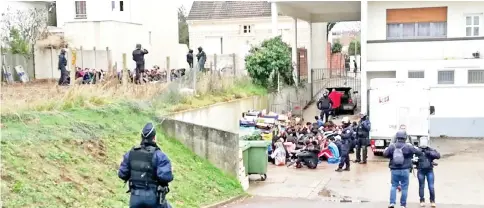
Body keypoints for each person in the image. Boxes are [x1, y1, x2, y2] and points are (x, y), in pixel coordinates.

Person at [118, 123, 173, 208]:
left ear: (142, 137)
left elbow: (122, 174)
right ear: (154, 138)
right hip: (153, 199)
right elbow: (165, 177)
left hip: (135, 199)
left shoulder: (130, 154)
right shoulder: (159, 155)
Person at [383, 130, 421, 208]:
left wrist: (391, 156)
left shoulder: (392, 146)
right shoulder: (408, 146)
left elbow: (385, 154)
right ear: (405, 137)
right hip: (405, 169)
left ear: (396, 137)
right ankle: (402, 205)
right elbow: (419, 152)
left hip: (394, 169)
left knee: (394, 186)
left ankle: (392, 203)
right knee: (404, 187)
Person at [415, 137, 440, 207]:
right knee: (421, 186)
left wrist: (429, 153)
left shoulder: (430, 149)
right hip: (420, 170)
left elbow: (438, 155)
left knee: (431, 186)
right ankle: (422, 200)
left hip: (429, 170)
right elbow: (412, 158)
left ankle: (432, 201)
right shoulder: (417, 150)